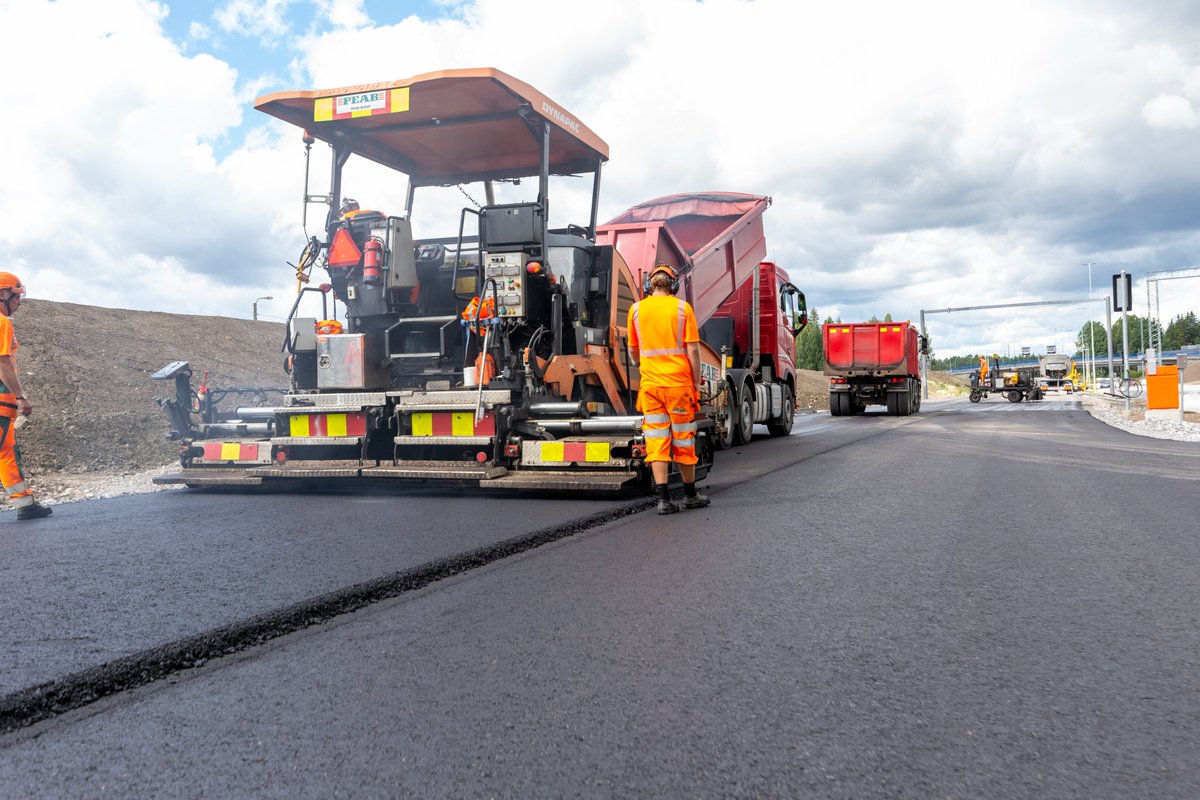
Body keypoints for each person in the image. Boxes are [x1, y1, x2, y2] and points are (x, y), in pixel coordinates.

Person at [627, 264, 710, 515]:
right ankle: (690, 495)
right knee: (683, 439)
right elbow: (693, 350)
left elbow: (633, 351)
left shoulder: (636, 310)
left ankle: (663, 500)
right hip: (678, 386)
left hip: (651, 387)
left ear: (649, 285)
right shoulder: (683, 309)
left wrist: (641, 364)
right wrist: (696, 382)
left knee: (656, 441)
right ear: (673, 285)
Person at [0, 273, 52, 520]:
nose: (19, 302)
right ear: (3, 294)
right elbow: (3, 363)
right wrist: (21, 396)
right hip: (1, 402)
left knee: (7, 452)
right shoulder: (2, 323)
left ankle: (25, 504)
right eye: (16, 296)